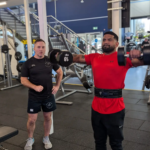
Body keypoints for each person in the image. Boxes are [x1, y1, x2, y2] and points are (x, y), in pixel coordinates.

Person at [73, 31, 144, 150]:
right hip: (96, 107)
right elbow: (77, 58)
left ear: (116, 44)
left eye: (109, 39)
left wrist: (140, 54)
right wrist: (58, 55)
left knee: (116, 144)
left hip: (115, 108)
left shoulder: (123, 58)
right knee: (99, 142)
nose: (106, 42)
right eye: (104, 39)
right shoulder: (94, 57)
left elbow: (144, 60)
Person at [21, 39, 63, 150]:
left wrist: (57, 86)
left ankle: (46, 137)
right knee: (31, 120)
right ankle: (30, 138)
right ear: (34, 48)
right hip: (34, 96)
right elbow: (23, 80)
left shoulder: (50, 61)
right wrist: (34, 87)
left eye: (43, 47)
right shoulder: (28, 63)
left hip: (48, 96)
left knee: (48, 117)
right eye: (39, 47)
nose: (41, 49)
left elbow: (60, 72)